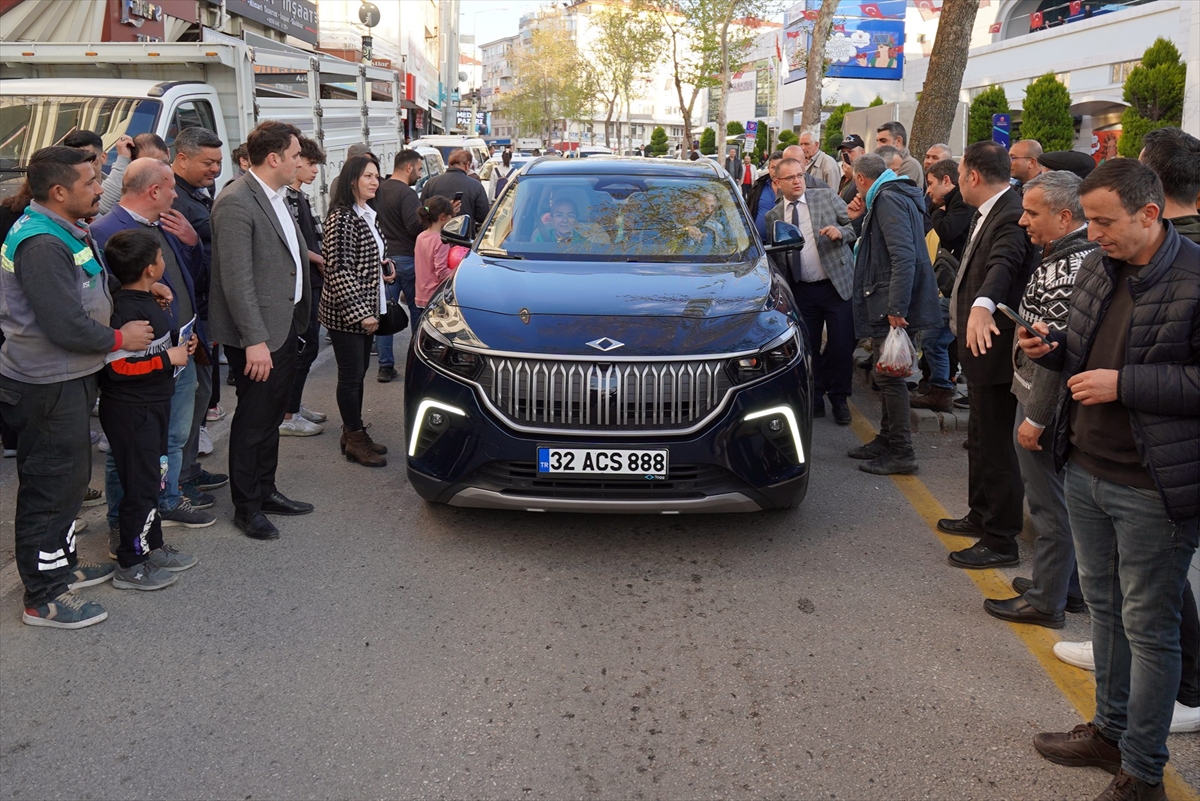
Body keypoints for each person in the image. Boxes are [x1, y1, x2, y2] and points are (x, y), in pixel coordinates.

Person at [1024, 158, 1199, 801]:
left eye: (1103, 222)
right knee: (1105, 613)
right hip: (1085, 470)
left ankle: (1142, 772)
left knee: (1149, 628)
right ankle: (1108, 730)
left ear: (1149, 214)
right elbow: (1085, 345)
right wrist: (1051, 347)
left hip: (1154, 487)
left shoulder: (1194, 278)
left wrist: (1123, 385)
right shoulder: (1100, 264)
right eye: (1090, 221)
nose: (1092, 234)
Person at [0, 146, 157, 628]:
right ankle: (44, 597)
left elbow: (88, 287)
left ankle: (62, 566)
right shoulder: (42, 244)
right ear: (59, 191)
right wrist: (119, 338)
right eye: (91, 182)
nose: (99, 189)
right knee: (51, 489)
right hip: (48, 385)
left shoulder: (63, 229)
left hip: (65, 378)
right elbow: (64, 324)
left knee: (67, 485)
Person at [983, 170, 1096, 628]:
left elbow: (1058, 353)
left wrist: (1037, 416)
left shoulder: (1073, 266)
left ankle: (1047, 600)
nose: (1023, 221)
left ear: (1065, 216)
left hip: (1041, 404)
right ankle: (1062, 588)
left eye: (1032, 213)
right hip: (1034, 395)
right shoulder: (1060, 255)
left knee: (1049, 505)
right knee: (1052, 500)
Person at [91, 158, 216, 531]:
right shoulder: (105, 232)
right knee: (127, 451)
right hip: (140, 364)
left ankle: (167, 498)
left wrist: (192, 244)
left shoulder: (164, 223)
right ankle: (123, 523)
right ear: (153, 191)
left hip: (180, 348)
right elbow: (106, 300)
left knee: (175, 435)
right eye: (170, 187)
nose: (177, 194)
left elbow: (185, 278)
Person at [209, 120, 314, 541]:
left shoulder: (276, 195)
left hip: (282, 326)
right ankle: (247, 506)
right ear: (274, 159)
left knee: (271, 416)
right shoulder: (236, 201)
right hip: (258, 337)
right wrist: (255, 341)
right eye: (293, 157)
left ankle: (266, 490)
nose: (298, 163)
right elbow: (237, 281)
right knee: (253, 421)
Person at [939, 141, 1038, 569]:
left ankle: (1000, 539)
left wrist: (981, 305)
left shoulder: (1012, 214)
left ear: (972, 176)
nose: (958, 180)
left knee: (997, 447)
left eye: (960, 172)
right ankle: (980, 515)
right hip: (978, 352)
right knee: (979, 440)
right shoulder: (990, 211)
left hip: (996, 353)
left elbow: (1004, 265)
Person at [97, 228, 200, 590]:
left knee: (152, 479)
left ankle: (151, 545)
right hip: (132, 411)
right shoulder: (125, 312)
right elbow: (117, 367)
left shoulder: (148, 299)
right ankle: (131, 561)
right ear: (149, 269)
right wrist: (164, 358)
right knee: (139, 487)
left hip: (154, 406)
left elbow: (153, 347)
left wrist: (180, 348)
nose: (162, 262)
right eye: (159, 258)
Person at [844, 152, 941, 474]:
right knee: (886, 374)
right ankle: (887, 440)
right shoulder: (893, 195)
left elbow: (902, 255)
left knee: (891, 378)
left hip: (891, 303)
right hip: (890, 299)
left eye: (855, 184)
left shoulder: (887, 198)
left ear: (860, 178)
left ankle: (901, 451)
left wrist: (896, 307)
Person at [765, 157, 857, 425]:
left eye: (800, 175)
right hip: (802, 291)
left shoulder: (824, 198)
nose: (797, 181)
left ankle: (840, 399)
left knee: (841, 346)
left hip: (835, 285)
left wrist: (840, 232)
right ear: (777, 183)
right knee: (809, 348)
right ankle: (815, 397)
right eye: (790, 178)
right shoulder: (774, 216)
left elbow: (852, 227)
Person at [319, 154, 393, 468]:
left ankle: (354, 433)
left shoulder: (366, 213)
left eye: (377, 176)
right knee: (351, 378)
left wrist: (384, 267)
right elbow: (338, 270)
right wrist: (361, 312)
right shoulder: (342, 217)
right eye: (368, 176)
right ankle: (354, 437)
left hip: (367, 306)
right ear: (352, 181)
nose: (375, 181)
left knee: (358, 375)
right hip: (347, 313)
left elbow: (371, 255)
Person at [170, 126, 229, 499]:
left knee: (201, 394)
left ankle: (189, 469)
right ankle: (179, 480)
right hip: (192, 318)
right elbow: (181, 267)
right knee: (189, 401)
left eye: (218, 162)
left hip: (204, 312)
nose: (214, 170)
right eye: (208, 162)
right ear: (182, 159)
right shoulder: (175, 201)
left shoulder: (196, 194)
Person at [911, 158, 974, 414]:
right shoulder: (954, 201)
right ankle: (937, 386)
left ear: (946, 180)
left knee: (934, 338)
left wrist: (937, 211)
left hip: (958, 287)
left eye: (930, 184)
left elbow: (947, 230)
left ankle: (940, 390)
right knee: (934, 338)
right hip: (953, 286)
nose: (928, 191)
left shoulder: (959, 203)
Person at [280, 136, 329, 435]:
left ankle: (293, 405)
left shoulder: (301, 197)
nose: (312, 170)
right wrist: (318, 259)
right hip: (299, 284)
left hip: (312, 280)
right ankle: (287, 414)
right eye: (309, 163)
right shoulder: (286, 198)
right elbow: (292, 243)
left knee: (307, 347)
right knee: (303, 347)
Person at [372, 149, 424, 382]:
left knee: (385, 313)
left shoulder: (377, 190)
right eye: (420, 169)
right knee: (417, 311)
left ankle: (385, 366)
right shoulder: (407, 194)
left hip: (384, 261)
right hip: (408, 260)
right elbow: (414, 227)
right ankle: (419, 362)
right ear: (409, 167)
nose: (420, 175)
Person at [98, 132, 170, 216]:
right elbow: (102, 207)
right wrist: (123, 159)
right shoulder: (132, 186)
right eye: (147, 167)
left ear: (168, 153)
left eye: (162, 163)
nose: (159, 171)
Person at [421, 148, 489, 233]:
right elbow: (483, 216)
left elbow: (423, 209)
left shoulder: (431, 183)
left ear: (449, 164)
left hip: (436, 235)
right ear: (467, 164)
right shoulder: (476, 186)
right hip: (463, 237)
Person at [415, 196, 455, 316]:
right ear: (443, 217)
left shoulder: (421, 236)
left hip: (421, 295)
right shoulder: (441, 241)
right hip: (435, 298)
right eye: (451, 216)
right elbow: (441, 272)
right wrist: (458, 272)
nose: (452, 219)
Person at [748, 151, 783, 240]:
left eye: (779, 168)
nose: (776, 171)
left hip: (783, 245)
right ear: (768, 168)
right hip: (759, 244)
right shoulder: (758, 186)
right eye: (773, 167)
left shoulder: (791, 189)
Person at [837, 135, 866, 204]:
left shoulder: (867, 171)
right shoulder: (843, 171)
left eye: (850, 151)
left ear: (862, 153)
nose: (846, 156)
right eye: (843, 152)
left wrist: (853, 175)